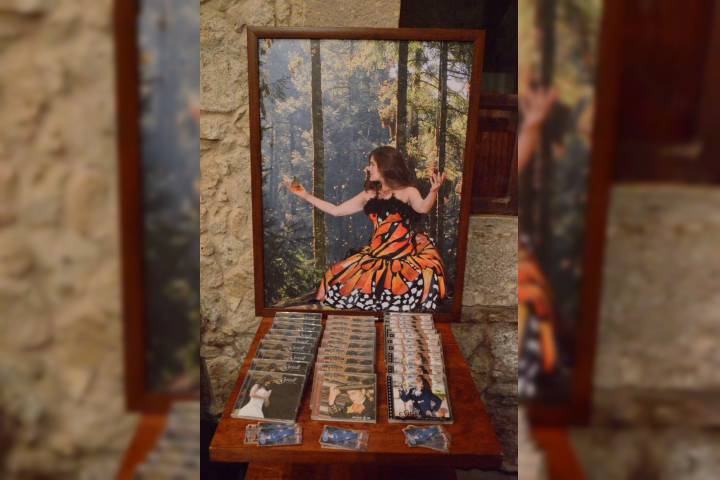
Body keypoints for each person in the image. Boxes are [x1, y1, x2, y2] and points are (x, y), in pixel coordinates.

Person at [286, 146, 447, 311]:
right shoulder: (369, 194)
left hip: (403, 260)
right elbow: (336, 210)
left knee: (398, 293)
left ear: (385, 166)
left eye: (372, 164)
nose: (368, 168)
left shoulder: (408, 191)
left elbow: (422, 208)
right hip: (375, 257)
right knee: (338, 280)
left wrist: (433, 191)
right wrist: (305, 195)